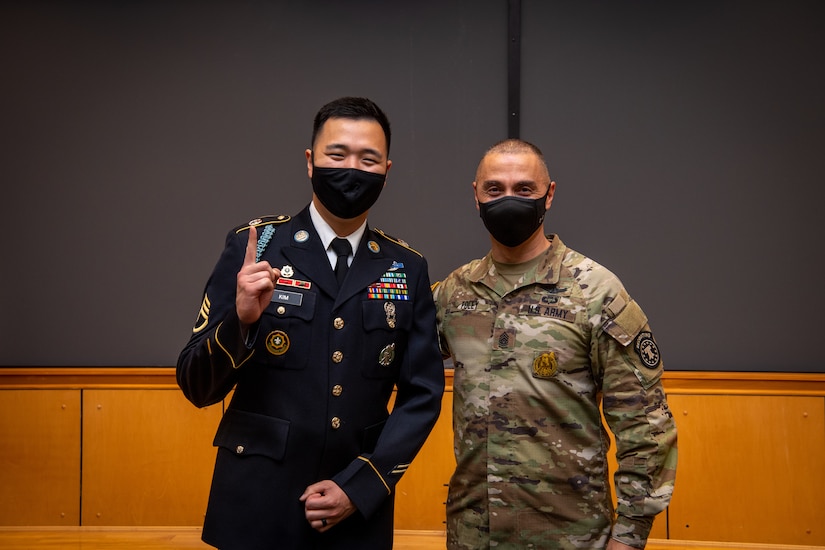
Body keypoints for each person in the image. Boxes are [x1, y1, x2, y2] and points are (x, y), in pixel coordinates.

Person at [177, 96, 445, 550]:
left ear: (386, 170)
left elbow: (422, 394)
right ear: (310, 161)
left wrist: (363, 485)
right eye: (337, 155)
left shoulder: (406, 266)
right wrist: (239, 322)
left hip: (354, 510)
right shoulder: (256, 245)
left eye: (369, 159)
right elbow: (196, 387)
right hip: (255, 505)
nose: (352, 169)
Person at [433, 139, 677, 550]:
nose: (508, 199)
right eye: (494, 189)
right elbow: (385, 356)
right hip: (475, 534)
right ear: (475, 196)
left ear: (549, 194)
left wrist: (630, 535)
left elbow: (646, 425)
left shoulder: (595, 291)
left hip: (570, 536)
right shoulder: (453, 294)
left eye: (524, 189)